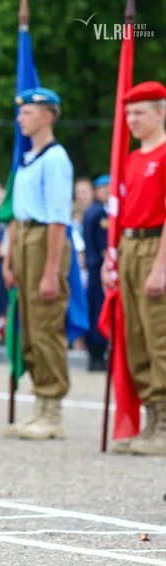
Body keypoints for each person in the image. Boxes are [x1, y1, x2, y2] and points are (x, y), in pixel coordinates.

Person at [2, 88, 74, 440]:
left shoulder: (55, 158)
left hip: (46, 239)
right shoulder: (27, 158)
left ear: (48, 115)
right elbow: (17, 214)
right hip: (25, 239)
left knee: (46, 326)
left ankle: (52, 408)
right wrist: (10, 258)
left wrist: (51, 272)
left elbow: (58, 219)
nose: (20, 118)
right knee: (30, 328)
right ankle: (40, 404)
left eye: (28, 112)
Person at [106, 81, 166, 456]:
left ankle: (165, 421)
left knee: (159, 336)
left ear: (160, 112)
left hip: (155, 246)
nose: (131, 120)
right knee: (136, 338)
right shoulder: (130, 159)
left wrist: (160, 267)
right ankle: (151, 416)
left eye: (139, 112)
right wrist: (111, 258)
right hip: (129, 247)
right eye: (128, 113)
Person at [82, 174, 110, 372]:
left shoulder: (91, 210)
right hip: (99, 267)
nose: (108, 192)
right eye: (104, 188)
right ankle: (97, 353)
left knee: (94, 308)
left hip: (93, 266)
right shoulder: (100, 213)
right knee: (99, 309)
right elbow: (103, 246)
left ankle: (95, 354)